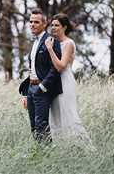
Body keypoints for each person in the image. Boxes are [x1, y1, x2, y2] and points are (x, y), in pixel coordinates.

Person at [44, 13, 91, 141]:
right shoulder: (52, 42)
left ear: (64, 27)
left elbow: (61, 66)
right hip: (53, 83)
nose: (53, 27)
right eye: (52, 25)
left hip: (65, 81)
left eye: (57, 25)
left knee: (68, 115)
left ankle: (84, 148)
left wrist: (50, 50)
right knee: (54, 117)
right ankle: (62, 147)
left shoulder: (68, 43)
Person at [18, 9, 63, 143]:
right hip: (31, 89)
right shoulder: (34, 42)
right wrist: (26, 93)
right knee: (33, 126)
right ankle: (39, 157)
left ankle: (47, 156)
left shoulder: (51, 41)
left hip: (42, 89)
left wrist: (42, 87)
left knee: (41, 125)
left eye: (36, 22)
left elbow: (55, 68)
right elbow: (33, 69)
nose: (32, 24)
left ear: (44, 24)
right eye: (31, 22)